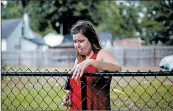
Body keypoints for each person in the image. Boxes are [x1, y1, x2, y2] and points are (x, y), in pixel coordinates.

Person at [62, 20, 121, 110]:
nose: (77, 45)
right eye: (75, 41)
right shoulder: (78, 59)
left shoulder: (101, 54)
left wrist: (90, 62)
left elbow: (118, 68)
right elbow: (75, 85)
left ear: (91, 40)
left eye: (81, 41)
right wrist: (69, 95)